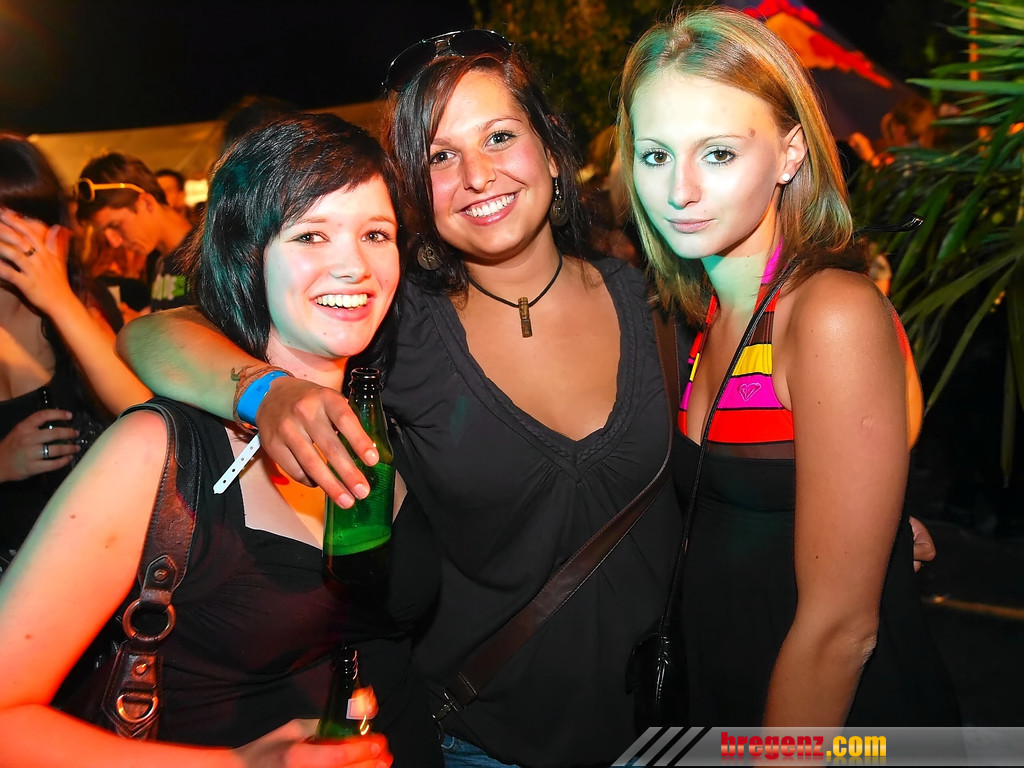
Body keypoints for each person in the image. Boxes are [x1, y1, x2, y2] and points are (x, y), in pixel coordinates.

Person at [118, 32, 685, 768]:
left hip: (666, 729)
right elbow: (153, 334)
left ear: (551, 150)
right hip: (479, 741)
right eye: (440, 156)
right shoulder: (395, 320)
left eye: (500, 136)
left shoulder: (659, 304)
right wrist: (264, 392)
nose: (477, 175)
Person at [0, 114, 449, 767]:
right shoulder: (156, 450)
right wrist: (241, 766)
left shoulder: (388, 409)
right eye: (311, 234)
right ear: (247, 256)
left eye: (375, 234)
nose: (354, 265)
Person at [617, 7, 958, 726]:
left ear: (791, 153)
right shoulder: (698, 316)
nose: (679, 191)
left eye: (718, 154)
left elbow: (841, 629)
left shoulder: (830, 314)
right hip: (726, 686)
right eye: (655, 155)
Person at [0, 133, 151, 566]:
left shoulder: (81, 305)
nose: (10, 232)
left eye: (25, 213)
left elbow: (144, 413)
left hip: (95, 557)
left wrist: (59, 300)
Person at [75, 153, 194, 312]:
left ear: (146, 203)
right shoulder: (161, 261)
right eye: (105, 232)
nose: (114, 242)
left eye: (116, 225)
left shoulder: (207, 256)